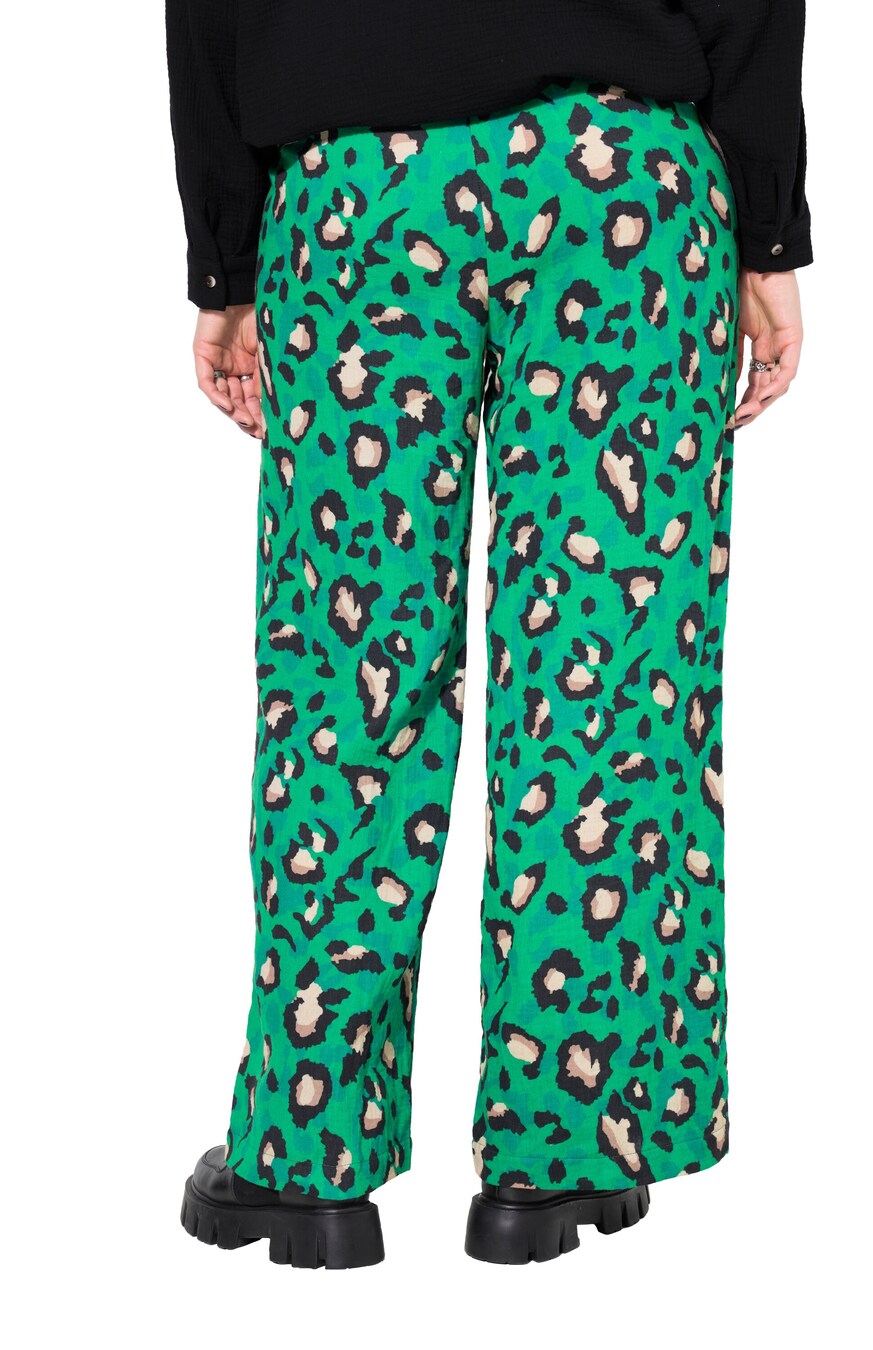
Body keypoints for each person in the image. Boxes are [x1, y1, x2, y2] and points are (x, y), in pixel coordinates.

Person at [165, 0, 811, 1268]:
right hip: (616, 188)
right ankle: (560, 1150)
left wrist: (224, 251)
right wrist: (767, 220)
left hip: (359, 190)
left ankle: (308, 1156)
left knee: (347, 678)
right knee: (603, 684)